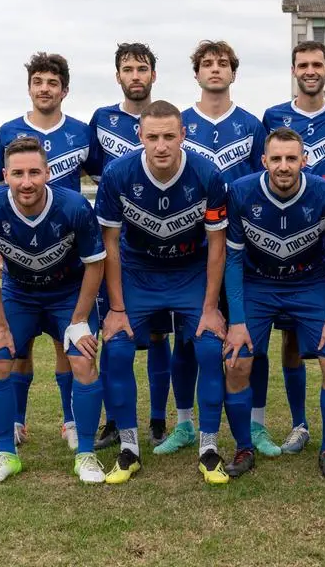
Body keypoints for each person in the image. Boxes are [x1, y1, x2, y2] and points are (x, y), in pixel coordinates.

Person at [95, 100, 230, 485]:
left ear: (183, 135)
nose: (161, 145)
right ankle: (129, 448)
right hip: (139, 272)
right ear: (139, 137)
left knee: (207, 345)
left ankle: (208, 447)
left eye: (169, 136)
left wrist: (210, 307)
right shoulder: (118, 175)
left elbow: (217, 245)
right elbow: (111, 244)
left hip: (190, 271)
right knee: (118, 348)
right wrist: (117, 309)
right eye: (152, 137)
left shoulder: (207, 174)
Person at [153, 40, 270, 458]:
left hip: (242, 246)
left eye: (223, 64)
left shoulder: (252, 125)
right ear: (197, 73)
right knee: (188, 340)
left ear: (233, 73)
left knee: (250, 337)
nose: (215, 70)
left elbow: (264, 183)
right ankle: (185, 423)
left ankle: (255, 426)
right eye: (207, 64)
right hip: (189, 252)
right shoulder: (178, 123)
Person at [0, 137, 106, 484]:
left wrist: (78, 321)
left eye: (33, 172)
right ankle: (5, 454)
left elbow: (95, 265)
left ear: (47, 172)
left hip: (68, 294)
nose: (26, 182)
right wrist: (0, 326)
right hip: (20, 294)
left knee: (83, 360)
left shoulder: (74, 206)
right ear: (5, 175)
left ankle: (86, 453)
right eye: (17, 173)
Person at [222, 127, 325, 479]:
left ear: (304, 161)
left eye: (291, 158)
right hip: (258, 283)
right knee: (236, 361)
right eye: (276, 158)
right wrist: (236, 321)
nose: (283, 166)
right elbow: (232, 260)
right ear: (263, 161)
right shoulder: (242, 192)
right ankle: (244, 447)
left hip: (310, 283)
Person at [0, 52, 95, 453]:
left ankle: (70, 420)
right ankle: (16, 420)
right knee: (20, 344)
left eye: (52, 82)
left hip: (68, 256)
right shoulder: (8, 132)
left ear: (64, 89)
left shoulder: (83, 132)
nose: (45, 88)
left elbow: (102, 177)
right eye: (38, 82)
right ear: (29, 88)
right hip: (20, 255)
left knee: (66, 342)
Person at [261, 40, 325, 456]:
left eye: (317, 64)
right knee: (289, 340)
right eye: (302, 64)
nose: (310, 70)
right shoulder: (273, 117)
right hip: (287, 242)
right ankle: (300, 423)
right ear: (293, 70)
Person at [86, 42, 173, 450]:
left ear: (154, 74)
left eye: (142, 68)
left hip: (163, 246)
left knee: (159, 336)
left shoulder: (171, 120)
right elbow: (89, 171)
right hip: (116, 246)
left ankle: (157, 419)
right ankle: (115, 420)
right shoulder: (102, 120)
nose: (135, 75)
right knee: (113, 333)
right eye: (128, 69)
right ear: (118, 76)